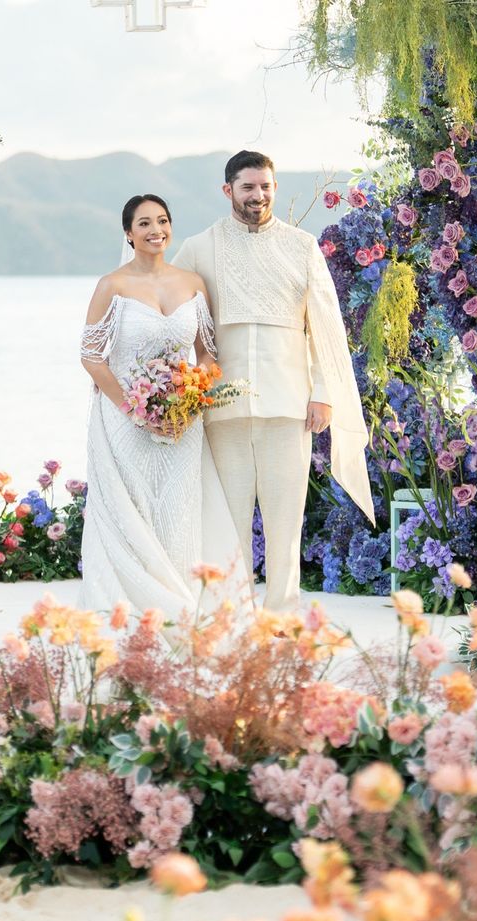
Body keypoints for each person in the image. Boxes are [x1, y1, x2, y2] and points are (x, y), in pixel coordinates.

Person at [173, 150, 374, 612]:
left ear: (275, 188)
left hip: (290, 408)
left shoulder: (302, 246)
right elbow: (169, 308)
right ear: (228, 191)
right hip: (221, 409)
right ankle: (234, 615)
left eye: (265, 186)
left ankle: (282, 614)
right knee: (229, 522)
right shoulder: (198, 247)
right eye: (247, 187)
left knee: (286, 522)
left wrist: (324, 395)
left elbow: (324, 327)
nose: (257, 195)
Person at [79, 193, 249, 620]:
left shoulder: (192, 283)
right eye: (144, 224)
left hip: (182, 421)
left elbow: (208, 354)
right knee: (131, 507)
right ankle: (129, 606)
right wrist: (133, 409)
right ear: (129, 233)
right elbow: (91, 355)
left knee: (177, 508)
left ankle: (179, 600)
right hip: (124, 420)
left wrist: (190, 397)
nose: (156, 230)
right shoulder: (112, 286)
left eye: (163, 221)